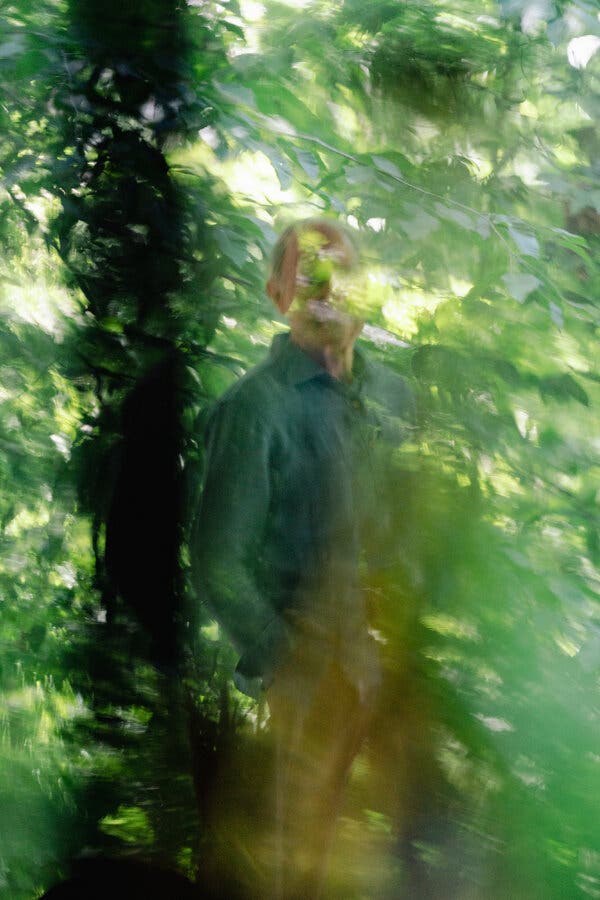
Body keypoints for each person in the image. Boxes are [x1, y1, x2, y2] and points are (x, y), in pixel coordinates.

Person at [192, 218, 415, 898]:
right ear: (275, 294)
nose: (327, 289)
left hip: (389, 687)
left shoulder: (393, 399)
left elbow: (405, 531)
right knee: (294, 877)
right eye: (307, 274)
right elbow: (217, 561)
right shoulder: (255, 408)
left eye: (339, 272)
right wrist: (291, 665)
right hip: (304, 700)